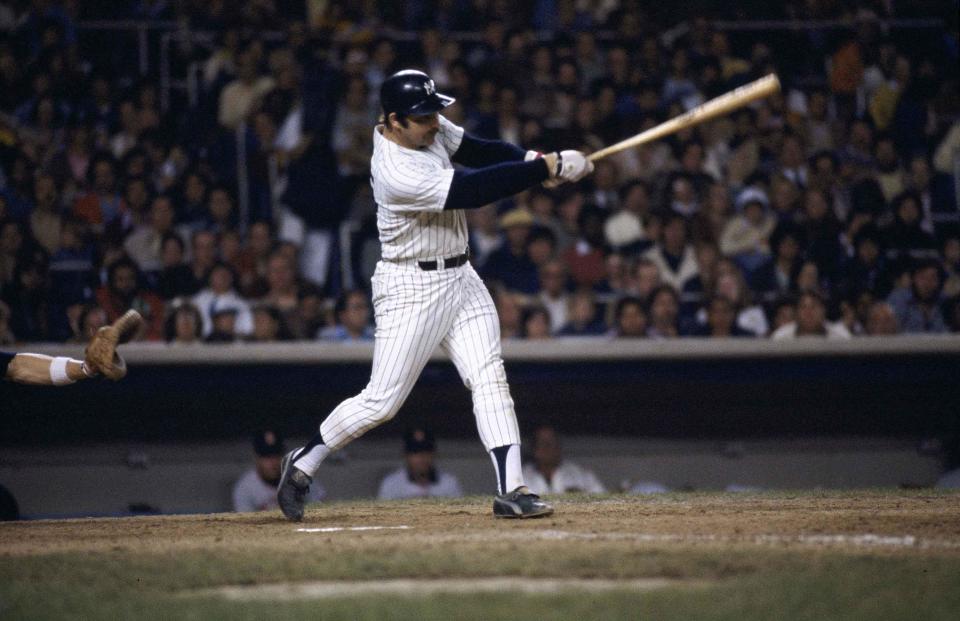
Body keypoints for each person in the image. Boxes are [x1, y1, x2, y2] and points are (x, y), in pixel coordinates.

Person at [278, 69, 593, 521]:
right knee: (381, 402)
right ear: (392, 121)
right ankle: (304, 461)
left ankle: (512, 489)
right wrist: (544, 169)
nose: (433, 123)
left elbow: (478, 151)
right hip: (411, 286)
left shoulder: (424, 128)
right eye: (422, 117)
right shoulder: (395, 170)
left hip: (461, 275)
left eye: (433, 112)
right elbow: (474, 189)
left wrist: (536, 160)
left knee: (489, 377)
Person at [233, 430, 324, 513]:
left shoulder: (299, 476)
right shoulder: (245, 486)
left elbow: (319, 509)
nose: (273, 462)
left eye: (276, 455)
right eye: (267, 456)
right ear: (256, 458)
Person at [377, 427, 463, 500]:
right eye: (415, 452)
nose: (421, 457)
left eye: (426, 451)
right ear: (405, 455)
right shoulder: (391, 483)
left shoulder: (449, 483)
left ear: (434, 453)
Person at [522, 425, 606, 495]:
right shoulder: (521, 477)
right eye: (542, 443)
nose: (547, 448)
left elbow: (603, 501)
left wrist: (581, 497)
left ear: (558, 446)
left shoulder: (580, 474)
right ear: (534, 449)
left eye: (551, 443)